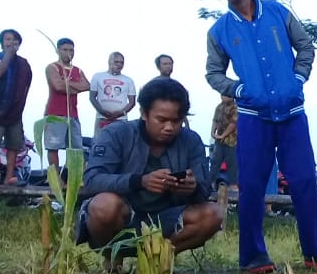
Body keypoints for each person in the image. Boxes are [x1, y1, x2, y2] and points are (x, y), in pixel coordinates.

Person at [205, 0, 317, 274]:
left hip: (292, 112)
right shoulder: (219, 31)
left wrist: (297, 79)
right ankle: (253, 256)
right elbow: (213, 73)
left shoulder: (278, 12)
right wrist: (239, 90)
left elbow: (305, 46)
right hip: (253, 116)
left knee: (305, 180)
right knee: (252, 186)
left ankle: (315, 252)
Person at [76, 77, 223, 257]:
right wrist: (140, 182)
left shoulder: (191, 141)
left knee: (213, 214)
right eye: (161, 120)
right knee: (105, 205)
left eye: (176, 121)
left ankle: (158, 262)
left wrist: (192, 188)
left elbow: (204, 190)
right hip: (123, 215)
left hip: (166, 218)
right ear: (144, 113)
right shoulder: (115, 134)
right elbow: (92, 180)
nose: (169, 127)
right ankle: (112, 261)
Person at [0, 29, 32, 182]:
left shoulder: (23, 63)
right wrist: (8, 55)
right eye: (8, 39)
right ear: (2, 42)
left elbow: (26, 85)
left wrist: (20, 105)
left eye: (14, 40)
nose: (11, 42)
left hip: (15, 111)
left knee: (13, 144)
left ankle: (9, 176)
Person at [43, 38, 88, 171]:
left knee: (76, 148)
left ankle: (74, 177)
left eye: (71, 50)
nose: (68, 53)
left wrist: (67, 84)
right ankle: (55, 178)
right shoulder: (52, 67)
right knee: (53, 147)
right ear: (58, 50)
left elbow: (87, 86)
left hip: (73, 114)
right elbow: (58, 86)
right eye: (65, 49)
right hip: (55, 113)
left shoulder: (77, 70)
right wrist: (74, 87)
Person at [89, 52, 136, 137]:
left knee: (121, 145)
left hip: (121, 119)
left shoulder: (128, 80)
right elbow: (92, 97)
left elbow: (132, 102)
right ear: (109, 62)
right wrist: (101, 111)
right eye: (116, 62)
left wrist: (121, 112)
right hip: (102, 118)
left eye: (121, 62)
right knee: (99, 143)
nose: (119, 65)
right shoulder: (98, 76)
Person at [210, 93, 238, 187]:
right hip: (219, 141)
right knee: (215, 162)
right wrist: (213, 131)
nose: (224, 97)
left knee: (232, 165)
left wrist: (223, 135)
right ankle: (210, 184)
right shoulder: (219, 107)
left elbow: (233, 124)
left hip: (232, 142)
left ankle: (233, 186)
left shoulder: (235, 107)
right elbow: (215, 120)